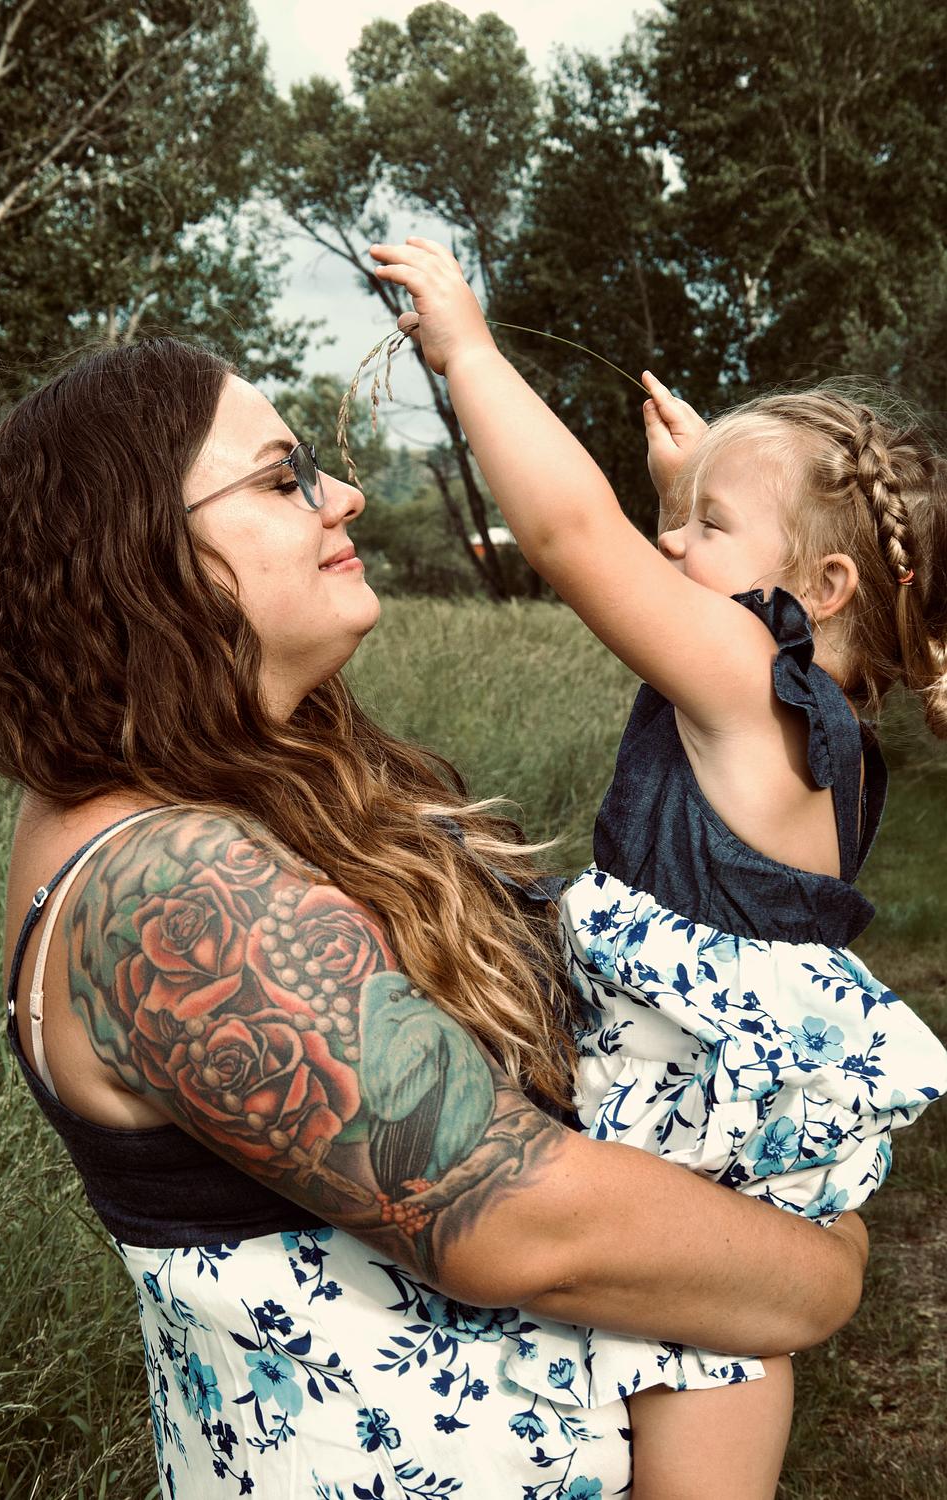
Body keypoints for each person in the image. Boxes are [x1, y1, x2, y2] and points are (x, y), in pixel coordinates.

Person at [0, 338, 871, 1500]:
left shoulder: (254, 790)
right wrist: (822, 1262)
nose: (343, 495)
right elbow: (517, 1220)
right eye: (284, 479)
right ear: (140, 552)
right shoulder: (163, 885)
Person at [367, 237, 947, 1499]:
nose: (669, 545)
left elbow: (571, 534)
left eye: (703, 531)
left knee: (698, 1371)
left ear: (822, 586)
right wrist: (702, 492)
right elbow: (702, 565)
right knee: (690, 1357)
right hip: (689, 1135)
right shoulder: (817, 721)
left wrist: (468, 351)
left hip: (684, 1145)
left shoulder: (745, 679)